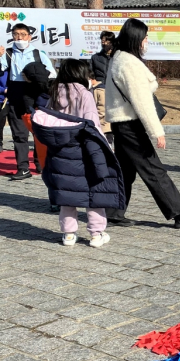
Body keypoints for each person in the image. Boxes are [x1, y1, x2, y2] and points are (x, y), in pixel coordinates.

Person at [106, 18, 180, 229]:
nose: (147, 41)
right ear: (136, 39)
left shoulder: (119, 58)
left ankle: (112, 211)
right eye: (145, 37)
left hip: (121, 124)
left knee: (124, 171)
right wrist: (157, 131)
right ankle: (179, 212)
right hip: (131, 124)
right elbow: (142, 102)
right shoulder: (129, 63)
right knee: (153, 169)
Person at [30, 59, 124, 248]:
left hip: (60, 152)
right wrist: (106, 146)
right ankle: (96, 234)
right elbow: (92, 125)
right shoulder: (84, 94)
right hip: (83, 149)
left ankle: (69, 234)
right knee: (93, 192)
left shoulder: (54, 93)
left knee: (66, 194)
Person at [0, 23, 56, 180]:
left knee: (39, 133)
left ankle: (40, 164)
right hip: (16, 96)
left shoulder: (38, 53)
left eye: (22, 34)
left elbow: (52, 73)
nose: (19, 37)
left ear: (30, 36)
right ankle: (23, 168)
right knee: (19, 134)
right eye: (15, 34)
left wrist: (35, 77)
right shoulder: (7, 53)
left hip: (35, 97)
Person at [88, 65, 112, 149]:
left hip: (104, 126)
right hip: (99, 125)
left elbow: (103, 108)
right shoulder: (93, 89)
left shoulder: (100, 90)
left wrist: (95, 119)